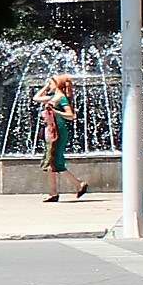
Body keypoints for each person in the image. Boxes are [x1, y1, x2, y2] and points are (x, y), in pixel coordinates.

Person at [39, 72, 89, 202]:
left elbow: (71, 115)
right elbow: (36, 98)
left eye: (50, 82)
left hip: (58, 132)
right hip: (51, 131)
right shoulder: (52, 97)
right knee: (51, 163)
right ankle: (53, 193)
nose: (48, 84)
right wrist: (46, 87)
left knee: (55, 162)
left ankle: (78, 184)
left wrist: (55, 111)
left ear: (57, 84)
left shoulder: (61, 98)